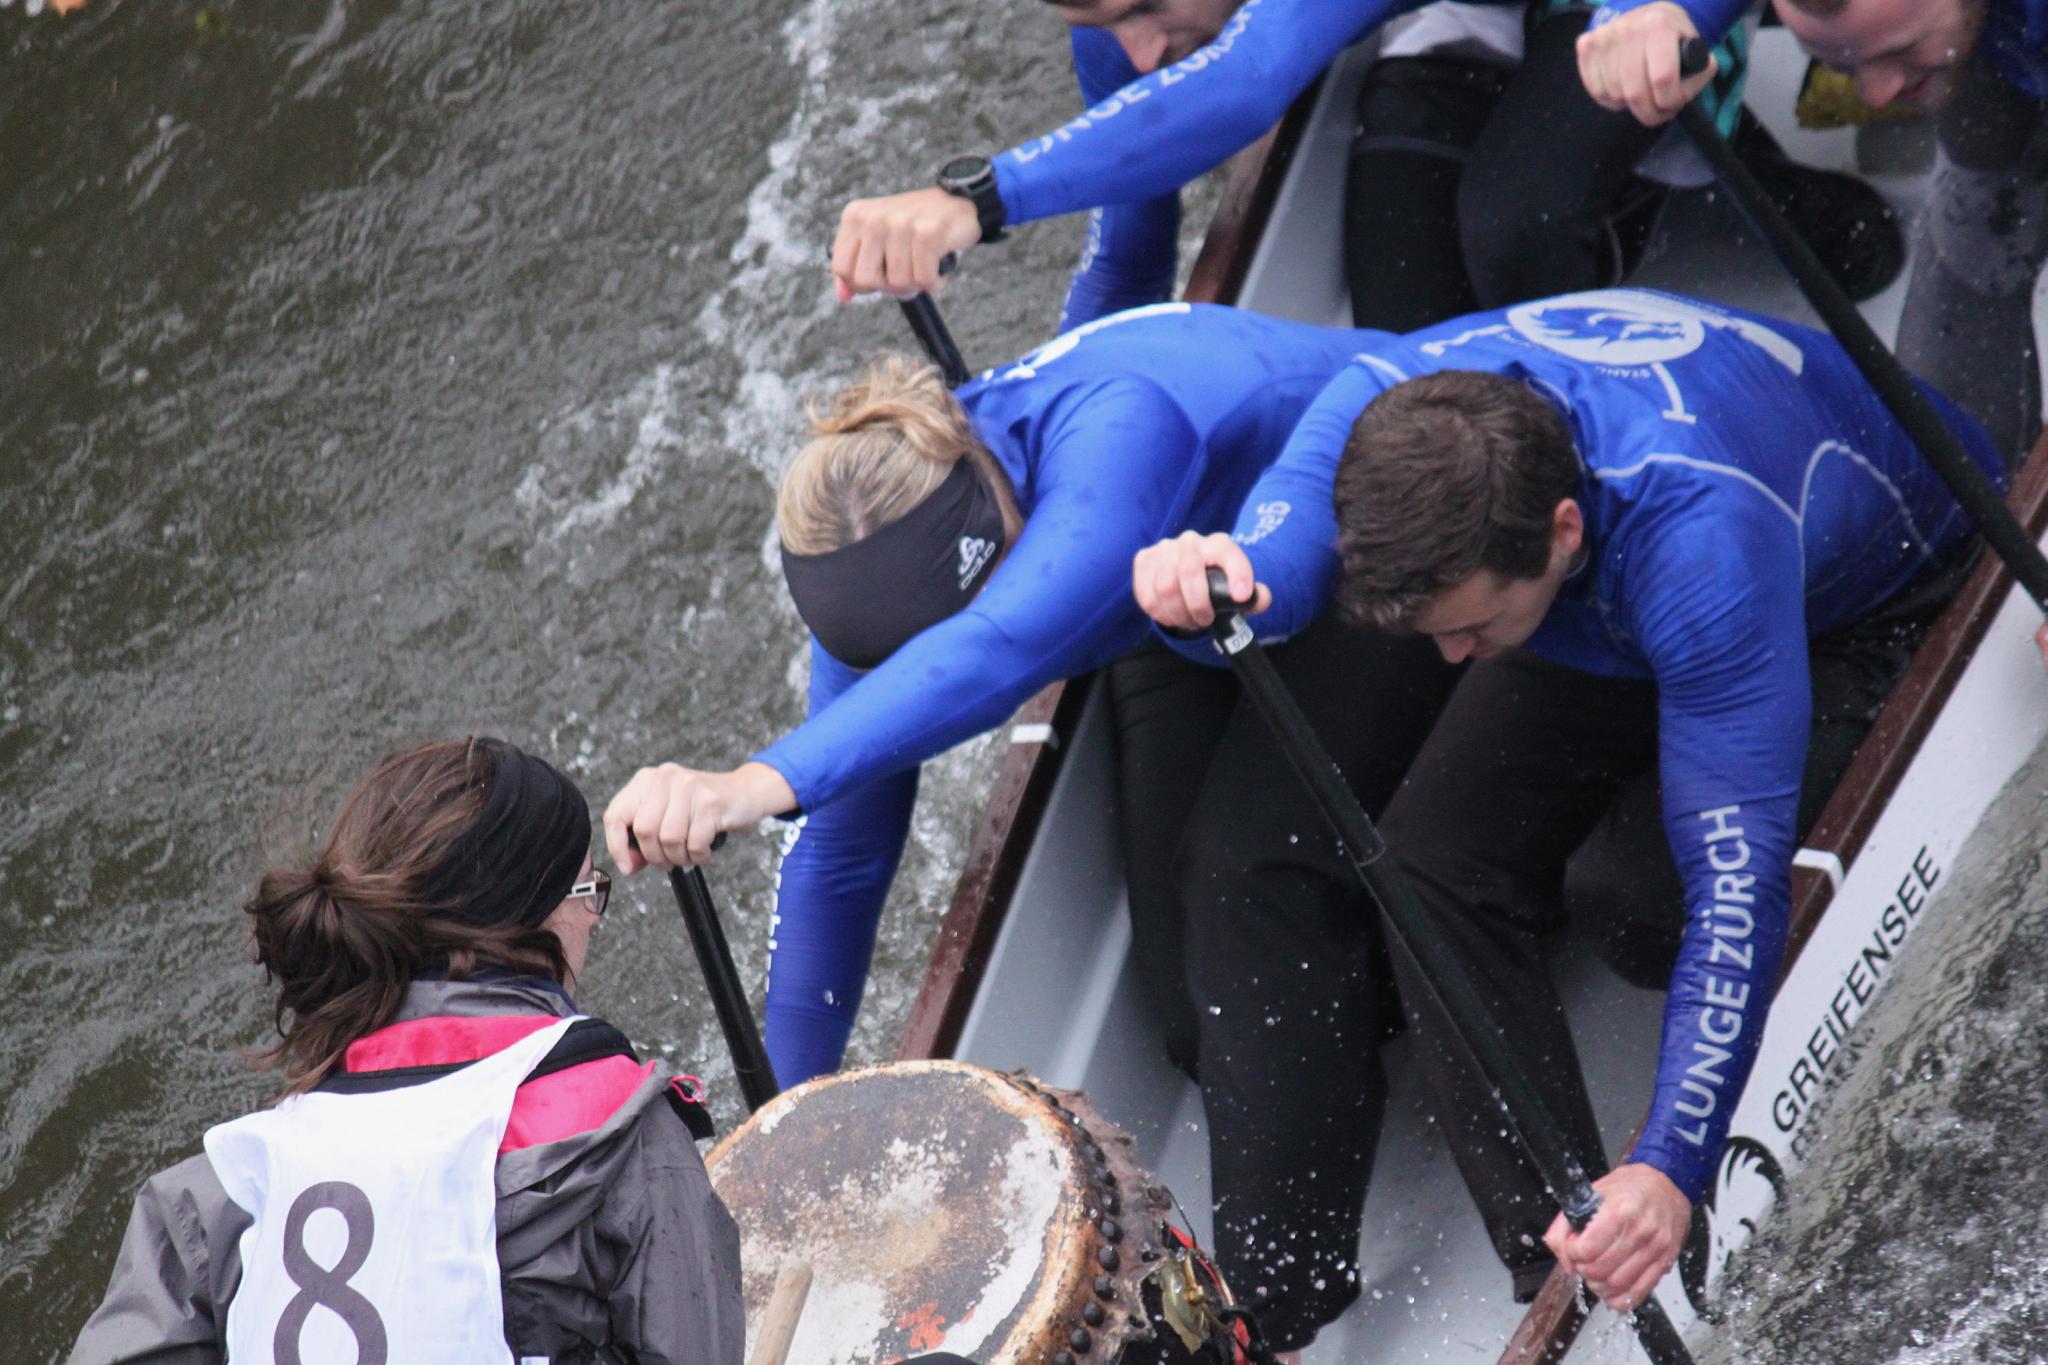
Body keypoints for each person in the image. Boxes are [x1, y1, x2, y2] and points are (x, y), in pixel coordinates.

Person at [604, 303, 1454, 1358]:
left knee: (1240, 894)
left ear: (997, 520)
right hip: (1177, 617)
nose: (920, 664)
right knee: (1194, 1014)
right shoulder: (873, 577)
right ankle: (1376, 991)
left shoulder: (1118, 430)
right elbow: (843, 852)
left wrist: (746, 784)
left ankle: (1273, 1317)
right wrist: (780, 1140)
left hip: (1371, 531)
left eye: (945, 632)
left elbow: (1003, 646)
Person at [1131, 288, 2003, 1315]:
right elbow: (1274, 560)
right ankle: (1563, 1256)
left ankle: (1644, 1215)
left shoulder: (1701, 548)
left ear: (1559, 530)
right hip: (1606, 605)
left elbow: (1735, 892)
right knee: (1427, 858)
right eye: (1438, 633)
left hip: (1872, 604)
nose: (1451, 659)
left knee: (1638, 904)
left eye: (1470, 627)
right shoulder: (1383, 394)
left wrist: (1671, 1166)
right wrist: (1214, 581)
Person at [68, 737, 743, 1365]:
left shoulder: (221, 1188)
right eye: (589, 891)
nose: (593, 920)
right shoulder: (626, 1136)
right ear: (534, 920)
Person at [832, 0, 1900, 334]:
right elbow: (1126, 259)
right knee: (1410, 325)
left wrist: (980, 198)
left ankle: (1772, 197)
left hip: (1631, 8)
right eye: (1105, 26)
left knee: (1516, 223)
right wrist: (1046, 410)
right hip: (1464, 13)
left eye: (1146, 8)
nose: (1141, 54)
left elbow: (1252, 78)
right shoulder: (1119, 36)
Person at [1578, 0, 2048, 459]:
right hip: (1998, 64)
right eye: (1843, 66)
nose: (1875, 94)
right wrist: (1650, 14)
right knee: (1947, 428)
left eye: (1903, 49)